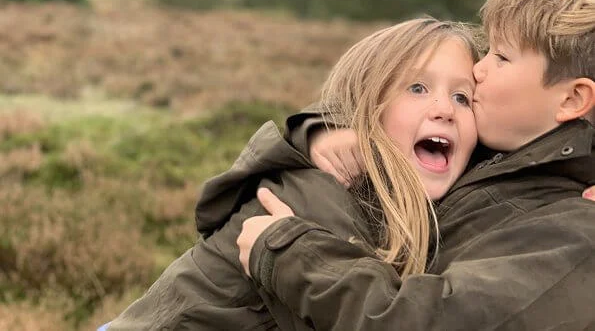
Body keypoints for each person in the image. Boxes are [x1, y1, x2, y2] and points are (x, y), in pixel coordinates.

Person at [236, 0, 595, 330]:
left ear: (572, 99)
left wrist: (288, 254)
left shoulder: (573, 232)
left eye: (501, 57)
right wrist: (328, 129)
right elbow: (375, 99)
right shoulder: (498, 156)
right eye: (486, 50)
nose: (479, 67)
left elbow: (425, 321)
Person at [105, 17, 482, 330]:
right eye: (417, 88)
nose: (443, 109)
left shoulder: (419, 200)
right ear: (367, 107)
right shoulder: (319, 195)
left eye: (462, 97)